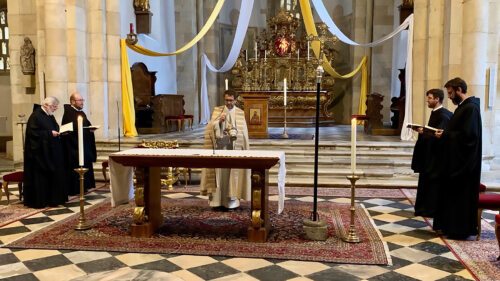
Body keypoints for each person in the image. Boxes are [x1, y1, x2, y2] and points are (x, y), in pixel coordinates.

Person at [433, 77, 482, 239]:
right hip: (456, 161)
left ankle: (459, 229)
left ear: (459, 90)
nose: (449, 97)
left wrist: (445, 135)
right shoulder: (463, 108)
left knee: (459, 197)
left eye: (451, 93)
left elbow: (469, 137)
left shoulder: (471, 109)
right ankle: (450, 226)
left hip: (464, 164)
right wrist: (446, 135)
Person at [200, 91, 250, 210]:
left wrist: (236, 134)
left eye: (231, 100)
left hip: (233, 149)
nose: (228, 102)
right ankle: (216, 202)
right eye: (226, 100)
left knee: (232, 175)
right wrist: (219, 122)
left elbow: (244, 135)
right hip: (219, 149)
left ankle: (231, 202)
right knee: (219, 174)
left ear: (235, 100)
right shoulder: (217, 111)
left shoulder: (240, 113)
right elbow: (210, 128)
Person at [410, 89, 452, 218]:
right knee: (425, 183)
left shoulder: (443, 115)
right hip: (429, 155)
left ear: (437, 99)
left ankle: (429, 210)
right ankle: (423, 209)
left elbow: (439, 136)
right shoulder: (436, 113)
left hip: (435, 157)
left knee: (432, 184)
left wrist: (424, 132)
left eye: (429, 98)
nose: (427, 100)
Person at [23, 97, 67, 208]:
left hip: (50, 151)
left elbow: (54, 127)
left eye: (56, 106)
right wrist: (49, 133)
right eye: (54, 106)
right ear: (46, 105)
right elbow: (33, 134)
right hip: (39, 155)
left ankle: (53, 199)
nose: (55, 109)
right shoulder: (36, 116)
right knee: (41, 178)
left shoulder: (49, 115)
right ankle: (41, 200)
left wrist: (60, 132)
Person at [61, 92, 97, 195]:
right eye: (80, 100)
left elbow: (86, 125)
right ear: (72, 101)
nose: (82, 102)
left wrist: (91, 129)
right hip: (74, 147)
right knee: (75, 167)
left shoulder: (81, 112)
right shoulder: (68, 113)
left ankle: (85, 186)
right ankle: (76, 188)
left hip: (83, 145)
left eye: (82, 100)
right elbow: (69, 131)